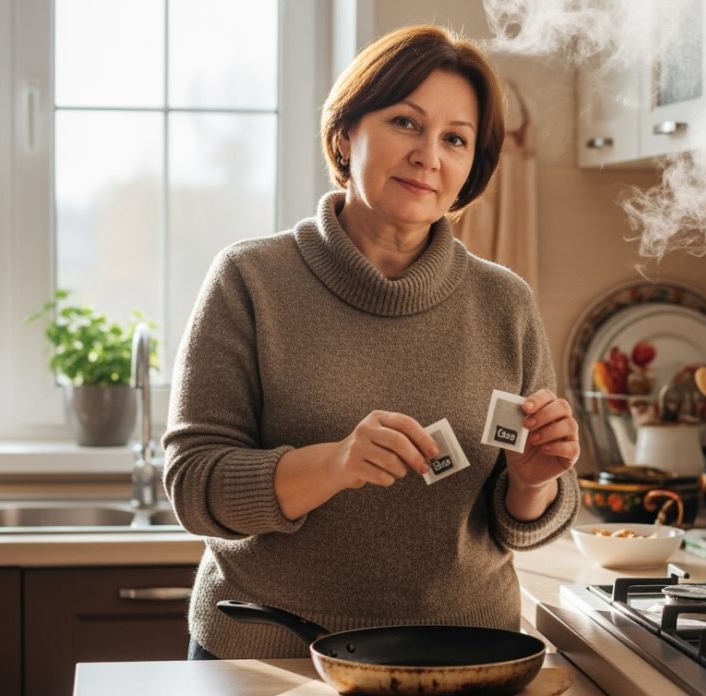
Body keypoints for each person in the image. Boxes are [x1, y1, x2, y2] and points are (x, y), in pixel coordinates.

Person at [163, 24, 581, 661]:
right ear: (345, 133)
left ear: (471, 168)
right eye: (405, 123)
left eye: (455, 139)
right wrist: (335, 465)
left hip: (463, 654)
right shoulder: (249, 279)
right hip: (269, 649)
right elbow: (195, 486)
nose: (428, 156)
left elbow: (521, 523)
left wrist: (532, 484)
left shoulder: (506, 302)